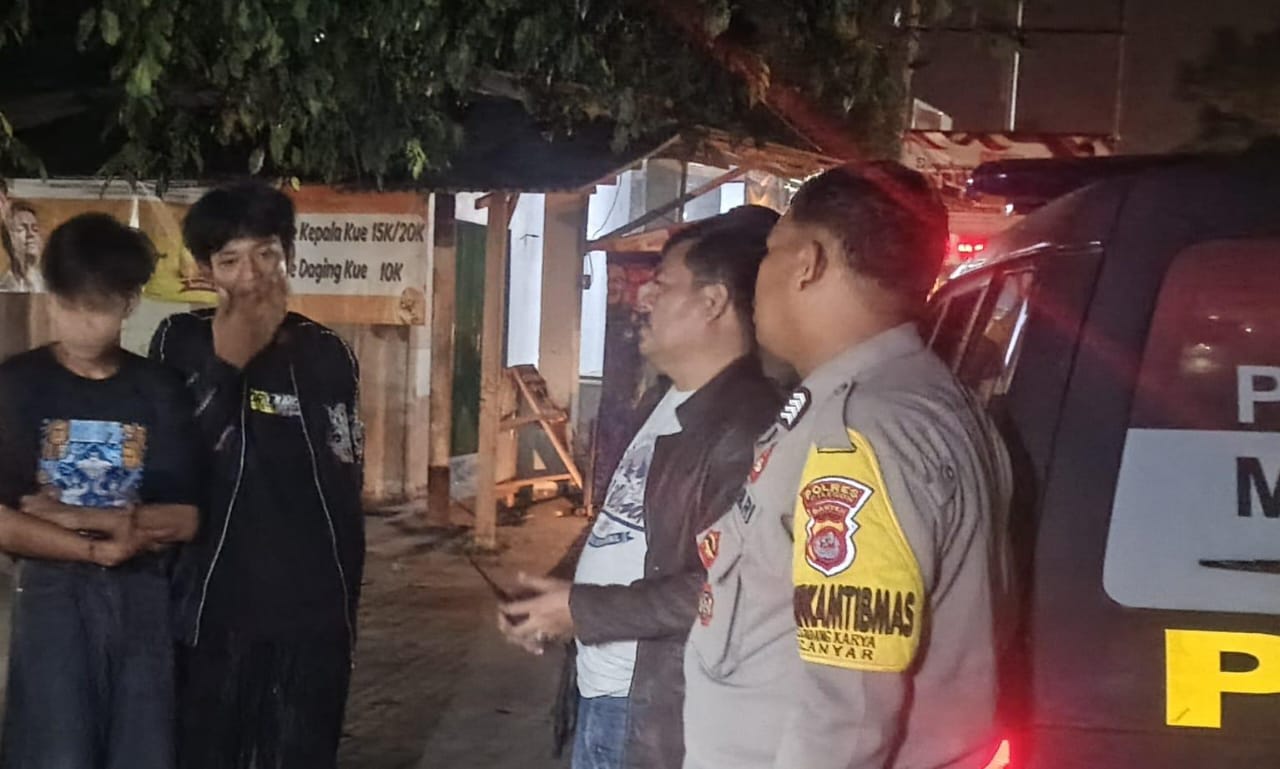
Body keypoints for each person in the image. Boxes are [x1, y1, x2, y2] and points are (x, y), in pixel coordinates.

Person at [683, 163, 1015, 769]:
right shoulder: (927, 400)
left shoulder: (860, 431)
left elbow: (848, 709)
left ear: (807, 262)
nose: (758, 279)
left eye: (771, 251)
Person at [499, 206, 785, 769]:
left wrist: (583, 610)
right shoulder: (668, 398)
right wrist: (552, 597)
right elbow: (625, 525)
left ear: (713, 302)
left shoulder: (748, 425)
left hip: (656, 710)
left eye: (663, 284)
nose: (643, 297)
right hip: (603, 692)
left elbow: (728, 585)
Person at [149, 180, 365, 769]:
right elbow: (172, 461)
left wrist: (345, 610)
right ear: (205, 270)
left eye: (266, 254)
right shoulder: (179, 342)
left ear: (288, 256)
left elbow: (345, 488)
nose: (252, 277)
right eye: (230, 261)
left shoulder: (325, 352)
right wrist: (231, 357)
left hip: (311, 614)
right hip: (210, 612)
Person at [0, 213, 202, 769]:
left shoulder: (158, 390)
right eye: (69, 307)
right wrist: (100, 544)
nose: (83, 325)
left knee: (142, 748)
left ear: (130, 303)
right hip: (51, 598)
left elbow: (185, 518)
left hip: (142, 598)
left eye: (100, 309)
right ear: (50, 298)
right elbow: (6, 521)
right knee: (55, 749)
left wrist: (62, 515)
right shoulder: (17, 385)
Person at [0, 199, 44, 292]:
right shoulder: (3, 288)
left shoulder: (50, 286)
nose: (30, 234)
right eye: (21, 229)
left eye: (35, 229)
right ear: (8, 240)